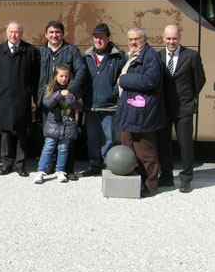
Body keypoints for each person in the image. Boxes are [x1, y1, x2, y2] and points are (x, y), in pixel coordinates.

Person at [114, 26, 166, 197]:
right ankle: (133, 185)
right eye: (130, 39)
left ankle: (150, 187)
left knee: (146, 152)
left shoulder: (150, 55)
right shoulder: (133, 55)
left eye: (136, 39)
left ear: (144, 38)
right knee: (128, 151)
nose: (133, 42)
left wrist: (123, 79)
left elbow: (150, 80)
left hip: (142, 114)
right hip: (131, 111)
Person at [158, 24, 206, 193]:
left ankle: (186, 178)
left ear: (180, 38)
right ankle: (166, 176)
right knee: (163, 144)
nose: (172, 41)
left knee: (185, 145)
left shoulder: (192, 56)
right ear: (164, 38)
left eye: (175, 38)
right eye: (169, 38)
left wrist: (190, 97)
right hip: (164, 108)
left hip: (184, 108)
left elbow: (200, 80)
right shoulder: (158, 56)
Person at [37, 20, 87, 179]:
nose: (54, 35)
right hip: (48, 99)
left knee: (68, 134)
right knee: (50, 133)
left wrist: (69, 91)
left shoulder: (71, 50)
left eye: (57, 32)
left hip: (67, 101)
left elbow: (81, 71)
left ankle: (68, 167)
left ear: (63, 34)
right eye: (51, 32)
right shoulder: (40, 51)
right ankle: (51, 165)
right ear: (46, 34)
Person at [0, 21, 38, 177]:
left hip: (22, 98)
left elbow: (34, 75)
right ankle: (6, 163)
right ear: (6, 33)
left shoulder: (30, 51)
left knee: (22, 132)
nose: (13, 35)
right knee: (5, 132)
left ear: (21, 33)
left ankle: (20, 164)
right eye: (10, 32)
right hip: (4, 97)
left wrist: (32, 95)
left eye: (16, 32)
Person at [80, 23, 125, 177]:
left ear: (108, 38)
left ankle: (107, 166)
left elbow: (122, 78)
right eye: (96, 37)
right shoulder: (86, 57)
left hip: (109, 106)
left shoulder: (118, 56)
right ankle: (94, 166)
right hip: (91, 105)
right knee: (92, 138)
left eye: (101, 37)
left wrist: (113, 93)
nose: (98, 40)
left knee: (108, 138)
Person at [35, 64, 83, 184]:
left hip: (68, 124)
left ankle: (60, 170)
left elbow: (79, 105)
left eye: (66, 76)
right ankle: (41, 170)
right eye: (61, 76)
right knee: (48, 147)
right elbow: (47, 103)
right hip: (53, 123)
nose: (63, 79)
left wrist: (71, 99)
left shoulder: (74, 90)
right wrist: (59, 94)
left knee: (63, 148)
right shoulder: (50, 88)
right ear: (56, 76)